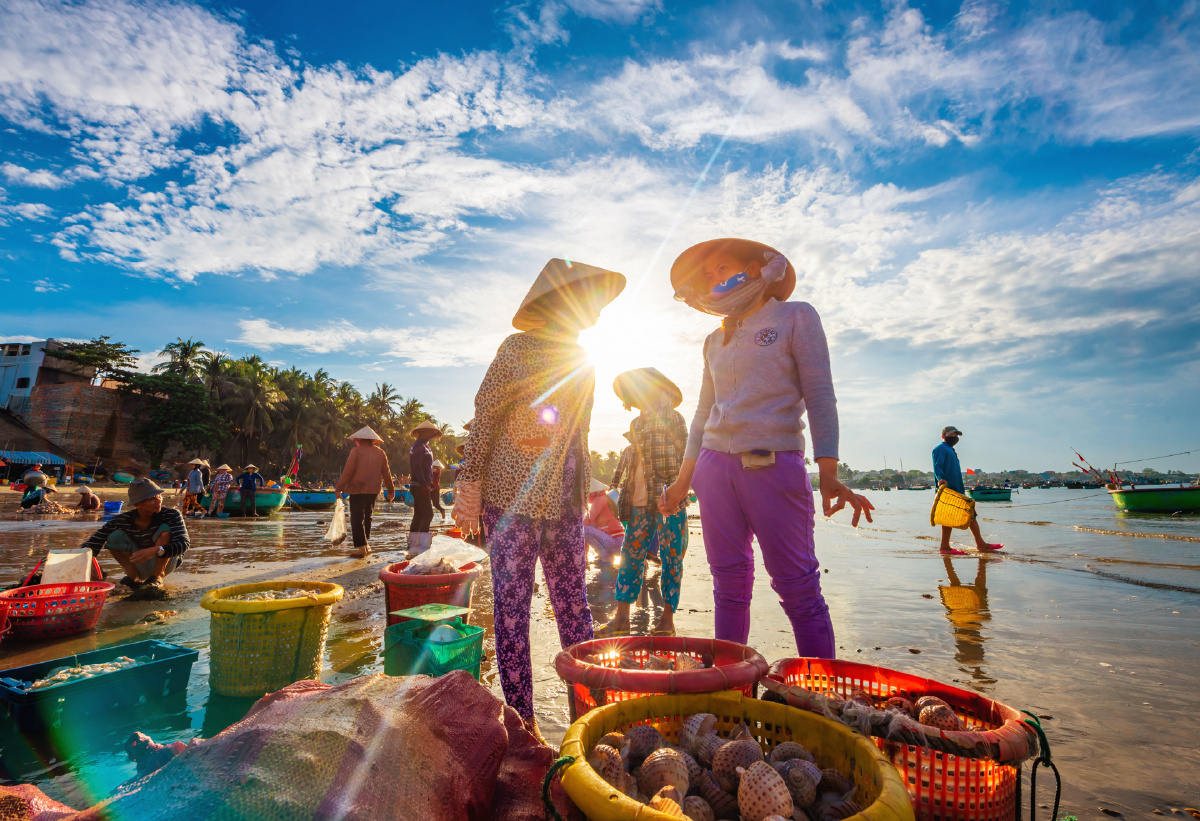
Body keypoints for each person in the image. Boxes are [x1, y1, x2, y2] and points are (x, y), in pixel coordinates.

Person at [660, 237, 873, 659]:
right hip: (714, 470)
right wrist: (684, 479)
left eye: (721, 268)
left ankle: (819, 694)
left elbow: (820, 395)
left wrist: (829, 472)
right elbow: (703, 414)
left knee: (797, 586)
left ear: (756, 268)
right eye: (708, 276)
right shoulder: (713, 340)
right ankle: (729, 687)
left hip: (774, 466)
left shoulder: (796, 317)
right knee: (728, 584)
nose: (714, 278)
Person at [452, 257, 625, 737]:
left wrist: (584, 495)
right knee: (512, 614)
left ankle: (590, 715)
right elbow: (486, 416)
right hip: (509, 501)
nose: (594, 310)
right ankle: (523, 725)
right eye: (586, 299)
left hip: (564, 506)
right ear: (560, 302)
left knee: (575, 612)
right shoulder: (516, 349)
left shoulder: (585, 360)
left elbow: (580, 434)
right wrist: (469, 486)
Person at [598, 368, 690, 637]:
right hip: (639, 502)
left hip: (669, 500)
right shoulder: (636, 425)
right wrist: (619, 495)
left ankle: (667, 621)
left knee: (672, 559)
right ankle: (622, 617)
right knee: (630, 557)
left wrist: (678, 492)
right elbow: (633, 464)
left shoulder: (675, 419)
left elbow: (687, 458)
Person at [81, 478, 188, 590]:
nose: (159, 501)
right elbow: (94, 541)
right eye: (152, 498)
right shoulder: (123, 520)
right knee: (114, 536)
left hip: (166, 561)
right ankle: (134, 578)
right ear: (138, 504)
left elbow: (184, 543)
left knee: (165, 529)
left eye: (159, 496)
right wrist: (91, 559)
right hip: (138, 562)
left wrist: (156, 550)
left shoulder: (171, 514)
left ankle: (157, 576)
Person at [933, 426, 1002, 554]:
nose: (954, 437)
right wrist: (941, 479)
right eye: (952, 435)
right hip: (948, 490)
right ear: (943, 436)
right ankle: (948, 547)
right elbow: (938, 466)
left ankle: (976, 544)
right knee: (957, 516)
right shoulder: (940, 449)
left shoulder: (951, 450)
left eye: (956, 436)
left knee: (968, 514)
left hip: (958, 489)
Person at [334, 426, 396, 558]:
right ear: (372, 441)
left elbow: (348, 471)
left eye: (355, 440)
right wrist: (391, 490)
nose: (355, 442)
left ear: (359, 439)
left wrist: (339, 488)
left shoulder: (356, 451)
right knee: (368, 516)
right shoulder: (381, 453)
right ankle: (366, 545)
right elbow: (386, 473)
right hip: (373, 491)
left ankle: (362, 547)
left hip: (358, 489)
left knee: (357, 518)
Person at [408, 420, 443, 556]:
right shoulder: (418, 446)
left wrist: (431, 481)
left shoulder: (425, 446)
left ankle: (413, 548)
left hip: (423, 484)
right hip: (418, 485)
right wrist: (423, 483)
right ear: (423, 432)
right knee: (428, 514)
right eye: (431, 432)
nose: (432, 434)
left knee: (418, 515)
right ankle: (422, 549)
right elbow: (416, 467)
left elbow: (426, 467)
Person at [583, 478, 624, 567]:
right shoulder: (605, 498)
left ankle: (606, 557)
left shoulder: (600, 499)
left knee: (583, 529)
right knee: (589, 528)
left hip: (614, 542)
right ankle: (606, 557)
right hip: (617, 542)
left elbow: (587, 520)